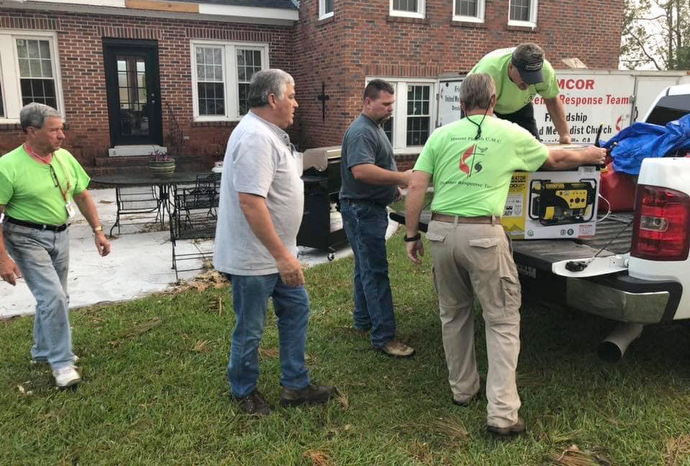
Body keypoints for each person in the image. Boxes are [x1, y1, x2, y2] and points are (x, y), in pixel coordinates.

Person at [404, 74, 605, 436]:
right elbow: (555, 159)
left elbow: (417, 184)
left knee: (453, 315)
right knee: (501, 321)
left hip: (442, 233)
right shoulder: (511, 135)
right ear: (494, 101)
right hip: (484, 234)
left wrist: (410, 235)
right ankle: (502, 415)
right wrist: (589, 154)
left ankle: (463, 391)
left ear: (462, 104)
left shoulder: (440, 135)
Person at [214, 69, 335, 416]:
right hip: (257, 259)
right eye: (292, 95)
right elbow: (251, 202)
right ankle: (243, 391)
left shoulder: (269, 133)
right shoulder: (254, 137)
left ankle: (295, 385)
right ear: (272, 99)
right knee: (251, 328)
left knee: (296, 310)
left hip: (278, 256)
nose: (296, 103)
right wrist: (283, 256)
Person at [0, 102, 111, 388]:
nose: (61, 136)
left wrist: (98, 231)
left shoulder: (65, 158)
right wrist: (3, 259)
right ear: (31, 131)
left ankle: (41, 351)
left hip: (60, 234)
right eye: (54, 130)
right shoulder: (7, 167)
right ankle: (61, 364)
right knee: (54, 297)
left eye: (62, 129)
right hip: (25, 237)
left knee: (56, 295)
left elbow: (82, 195)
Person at [339, 79, 414, 358]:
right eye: (385, 104)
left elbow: (375, 167)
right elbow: (361, 170)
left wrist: (390, 187)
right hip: (362, 211)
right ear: (368, 102)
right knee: (375, 272)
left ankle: (363, 320)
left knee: (364, 268)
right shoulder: (362, 131)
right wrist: (401, 177)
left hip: (365, 207)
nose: (390, 109)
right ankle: (384, 337)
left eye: (392, 104)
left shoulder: (374, 128)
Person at [469, 43, 571, 144]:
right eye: (524, 77)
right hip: (478, 103)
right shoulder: (489, 72)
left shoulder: (545, 71)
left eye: (533, 79)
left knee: (532, 147)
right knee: (478, 142)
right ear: (510, 67)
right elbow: (479, 115)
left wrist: (564, 135)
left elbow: (552, 101)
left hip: (519, 106)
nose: (527, 84)